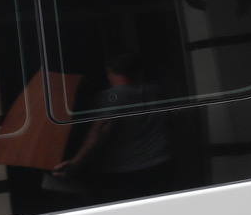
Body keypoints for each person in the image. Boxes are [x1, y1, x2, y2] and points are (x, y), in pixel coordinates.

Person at [53, 54, 174, 203]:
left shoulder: (112, 98)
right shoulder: (155, 91)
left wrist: (76, 163)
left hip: (126, 171)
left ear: (109, 72)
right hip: (160, 163)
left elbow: (99, 133)